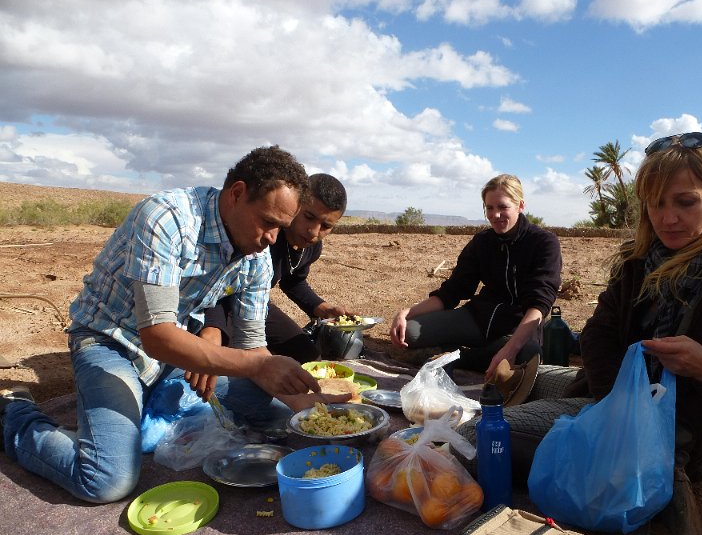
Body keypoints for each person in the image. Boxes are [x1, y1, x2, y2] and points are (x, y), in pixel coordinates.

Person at [458, 132, 702, 535]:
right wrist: (614, 405)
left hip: (682, 418)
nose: (666, 217)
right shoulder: (643, 255)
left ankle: (662, 463)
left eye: (684, 202)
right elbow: (600, 332)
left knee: (483, 434)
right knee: (519, 381)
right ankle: (630, 461)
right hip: (616, 391)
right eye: (655, 203)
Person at [0, 146, 349, 504]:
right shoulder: (167, 219)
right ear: (237, 194)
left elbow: (251, 345)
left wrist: (305, 404)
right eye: (269, 222)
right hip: (111, 343)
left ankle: (145, 402)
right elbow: (158, 337)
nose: (273, 238)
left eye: (281, 227)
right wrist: (247, 362)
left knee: (275, 416)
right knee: (106, 480)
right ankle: (15, 414)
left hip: (176, 352)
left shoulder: (256, 255)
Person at [390, 174, 562, 378]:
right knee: (409, 333)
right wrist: (407, 313)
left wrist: (511, 348)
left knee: (528, 354)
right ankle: (472, 355)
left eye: (503, 207)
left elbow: (539, 304)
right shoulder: (482, 242)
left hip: (516, 327)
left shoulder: (543, 242)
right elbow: (453, 291)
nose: (495, 215)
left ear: (520, 206)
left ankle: (457, 356)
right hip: (478, 318)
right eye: (489, 208)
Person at [200, 173, 353, 365]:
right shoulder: (262, 237)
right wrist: (213, 327)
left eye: (326, 225)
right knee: (222, 357)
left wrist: (321, 307)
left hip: (255, 305)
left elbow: (293, 280)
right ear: (296, 205)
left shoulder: (310, 247)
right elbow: (218, 283)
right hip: (217, 304)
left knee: (307, 357)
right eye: (308, 217)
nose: (314, 231)